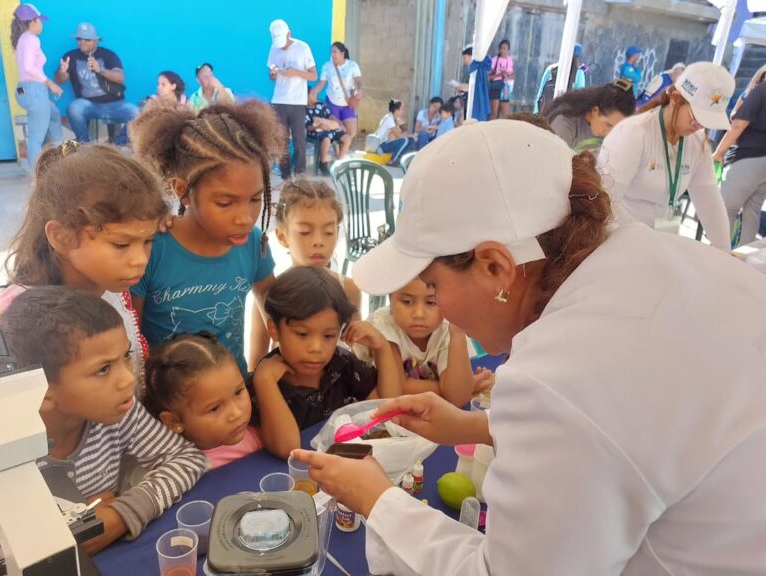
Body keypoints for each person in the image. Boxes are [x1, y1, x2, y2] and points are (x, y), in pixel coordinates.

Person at [291, 119, 766, 576]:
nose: (438, 309)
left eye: (433, 287)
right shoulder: (659, 257)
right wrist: (477, 426)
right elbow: (637, 435)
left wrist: (377, 499)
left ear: (496, 267)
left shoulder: (560, 375)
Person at [0, 287, 208, 554]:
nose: (129, 379)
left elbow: (188, 459)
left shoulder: (119, 414)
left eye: (125, 356)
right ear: (42, 391)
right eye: (103, 369)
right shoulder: (7, 452)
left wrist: (122, 513)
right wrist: (60, 530)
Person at [0, 143, 168, 394]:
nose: (140, 260)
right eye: (121, 244)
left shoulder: (112, 288)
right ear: (61, 236)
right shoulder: (13, 320)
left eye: (147, 241)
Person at [129, 100, 282, 374]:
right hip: (167, 403)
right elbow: (131, 338)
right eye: (225, 203)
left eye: (255, 199)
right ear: (182, 190)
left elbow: (277, 312)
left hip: (234, 398)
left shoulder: (253, 244)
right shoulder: (153, 248)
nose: (245, 217)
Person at [252, 266, 402, 459]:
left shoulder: (342, 364)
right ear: (273, 328)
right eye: (303, 334)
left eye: (329, 335)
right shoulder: (267, 378)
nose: (316, 347)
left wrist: (382, 348)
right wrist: (264, 382)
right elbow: (287, 449)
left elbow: (387, 408)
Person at [598, 62, 733, 250]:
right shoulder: (633, 133)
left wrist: (724, 252)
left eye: (706, 123)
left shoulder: (697, 143)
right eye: (696, 118)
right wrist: (646, 240)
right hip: (621, 237)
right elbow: (606, 200)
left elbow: (710, 203)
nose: (698, 127)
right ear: (676, 98)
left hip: (664, 235)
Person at [355, 278, 493, 407]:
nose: (419, 314)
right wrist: (463, 386)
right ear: (391, 298)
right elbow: (397, 390)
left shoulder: (449, 328)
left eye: (431, 302)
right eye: (407, 301)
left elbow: (458, 398)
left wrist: (458, 334)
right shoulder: (383, 324)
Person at [143, 333, 262, 469]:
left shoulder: (262, 430)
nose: (236, 413)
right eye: (214, 408)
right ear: (173, 421)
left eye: (238, 392)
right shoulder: (179, 471)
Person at [273, 177, 361, 312]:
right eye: (305, 232)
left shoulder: (349, 290)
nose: (318, 241)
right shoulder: (272, 292)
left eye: (329, 232)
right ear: (282, 236)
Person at [54, 22, 138, 146]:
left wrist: (100, 70)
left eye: (86, 39)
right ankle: (85, 145)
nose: (82, 42)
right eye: (79, 39)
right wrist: (62, 71)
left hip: (114, 104)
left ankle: (116, 145)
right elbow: (59, 80)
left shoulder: (108, 55)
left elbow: (120, 77)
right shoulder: (70, 56)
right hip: (88, 105)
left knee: (137, 114)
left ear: (96, 41)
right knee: (73, 108)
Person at [712, 64, 766, 247]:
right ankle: (743, 260)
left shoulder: (761, 91)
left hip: (748, 158)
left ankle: (718, 255)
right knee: (752, 212)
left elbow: (738, 125)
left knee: (725, 208)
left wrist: (719, 152)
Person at [10, 3, 62, 169]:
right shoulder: (32, 40)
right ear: (32, 22)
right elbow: (28, 68)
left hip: (22, 89)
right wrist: (50, 83)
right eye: (40, 21)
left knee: (54, 114)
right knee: (36, 137)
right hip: (33, 89)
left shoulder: (21, 39)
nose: (42, 24)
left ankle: (60, 157)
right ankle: (35, 177)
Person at [268, 19, 317, 179]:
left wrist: (295, 72)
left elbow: (313, 75)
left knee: (299, 141)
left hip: (297, 101)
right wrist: (273, 74)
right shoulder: (274, 48)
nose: (280, 45)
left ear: (289, 33)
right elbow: (271, 75)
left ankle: (300, 174)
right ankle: (285, 175)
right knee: (281, 140)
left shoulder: (303, 48)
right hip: (279, 100)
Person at [543, 79, 636, 152]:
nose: (608, 133)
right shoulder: (564, 122)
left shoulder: (616, 136)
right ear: (595, 110)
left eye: (617, 128)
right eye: (607, 125)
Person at [310, 41, 362, 159]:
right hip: (332, 104)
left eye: (335, 52)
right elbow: (321, 83)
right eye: (331, 52)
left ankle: (339, 155)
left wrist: (359, 91)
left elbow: (359, 81)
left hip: (347, 104)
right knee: (337, 129)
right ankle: (340, 157)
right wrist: (314, 92)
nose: (332, 54)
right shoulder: (327, 66)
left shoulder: (352, 65)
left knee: (351, 132)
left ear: (342, 53)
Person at [534, 43, 586, 114]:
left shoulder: (551, 69)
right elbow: (580, 97)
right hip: (565, 115)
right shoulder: (579, 73)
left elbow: (540, 94)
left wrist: (536, 113)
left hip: (547, 112)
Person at [305, 92, 346, 176]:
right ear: (307, 97)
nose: (316, 95)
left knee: (347, 138)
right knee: (326, 139)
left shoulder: (321, 105)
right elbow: (308, 127)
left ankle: (340, 163)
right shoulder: (304, 110)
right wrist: (318, 126)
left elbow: (330, 116)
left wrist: (339, 122)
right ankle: (322, 164)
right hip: (317, 132)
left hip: (329, 128)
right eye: (313, 94)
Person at [373, 99, 415, 167]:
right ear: (396, 110)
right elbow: (398, 135)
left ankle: (400, 159)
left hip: (387, 143)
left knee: (410, 140)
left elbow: (403, 131)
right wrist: (411, 135)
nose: (403, 111)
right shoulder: (389, 118)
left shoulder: (394, 118)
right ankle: (392, 161)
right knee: (404, 140)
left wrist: (400, 124)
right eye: (402, 109)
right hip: (381, 146)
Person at [488, 39, 514, 120]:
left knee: (505, 114)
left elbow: (512, 76)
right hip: (495, 87)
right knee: (494, 113)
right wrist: (499, 75)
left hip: (506, 88)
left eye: (505, 48)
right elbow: (488, 77)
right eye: (501, 48)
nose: (502, 50)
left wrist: (507, 76)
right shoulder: (494, 60)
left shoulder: (510, 60)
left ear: (508, 50)